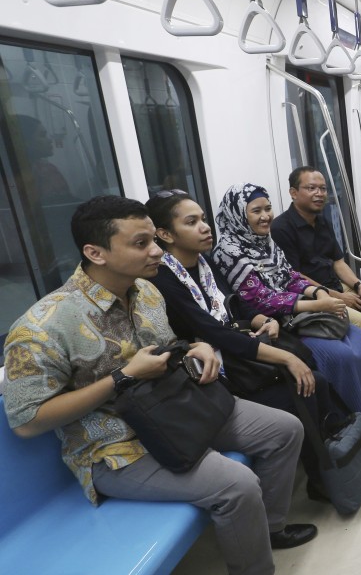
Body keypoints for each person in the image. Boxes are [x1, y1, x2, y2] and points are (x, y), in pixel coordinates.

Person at [3, 196, 316, 575]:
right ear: (95, 252)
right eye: (141, 244)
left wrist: (194, 347)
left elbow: (165, 348)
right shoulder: (42, 326)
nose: (156, 251)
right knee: (237, 484)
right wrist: (122, 378)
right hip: (117, 447)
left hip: (178, 413)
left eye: (154, 239)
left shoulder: (147, 291)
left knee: (284, 430)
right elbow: (27, 421)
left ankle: (267, 530)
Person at [145, 190, 339, 503]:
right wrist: (284, 357)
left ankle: (325, 469)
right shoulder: (164, 280)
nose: (205, 228)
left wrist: (263, 320)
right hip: (217, 371)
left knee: (317, 381)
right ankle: (320, 479)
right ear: (166, 234)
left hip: (240, 349)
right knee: (300, 392)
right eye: (192, 222)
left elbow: (235, 307)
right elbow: (212, 331)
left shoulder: (204, 264)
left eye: (204, 220)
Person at [211, 183, 361, 425]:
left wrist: (317, 292)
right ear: (239, 214)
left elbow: (289, 276)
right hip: (275, 323)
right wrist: (316, 306)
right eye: (256, 211)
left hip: (296, 310)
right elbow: (259, 298)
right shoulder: (227, 251)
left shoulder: (265, 240)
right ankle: (346, 418)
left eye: (268, 208)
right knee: (340, 355)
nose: (265, 217)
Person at [271, 167, 361, 334]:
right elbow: (295, 277)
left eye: (323, 188)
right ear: (293, 193)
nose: (319, 193)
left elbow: (338, 262)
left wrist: (358, 285)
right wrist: (339, 297)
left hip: (336, 286)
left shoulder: (322, 220)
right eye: (311, 188)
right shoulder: (281, 228)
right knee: (360, 322)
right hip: (313, 296)